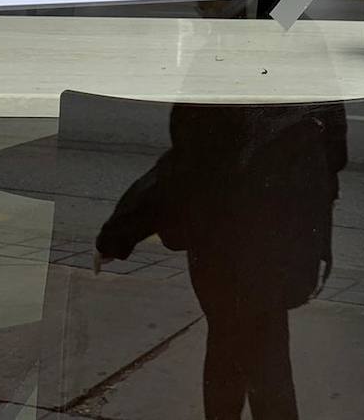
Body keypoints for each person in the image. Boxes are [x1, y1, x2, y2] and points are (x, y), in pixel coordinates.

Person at [94, 101, 348, 420]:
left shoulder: (217, 77)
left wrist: (119, 233)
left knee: (239, 347)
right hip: (282, 240)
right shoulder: (310, 73)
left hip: (224, 243)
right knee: (257, 347)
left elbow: (183, 167)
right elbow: (334, 152)